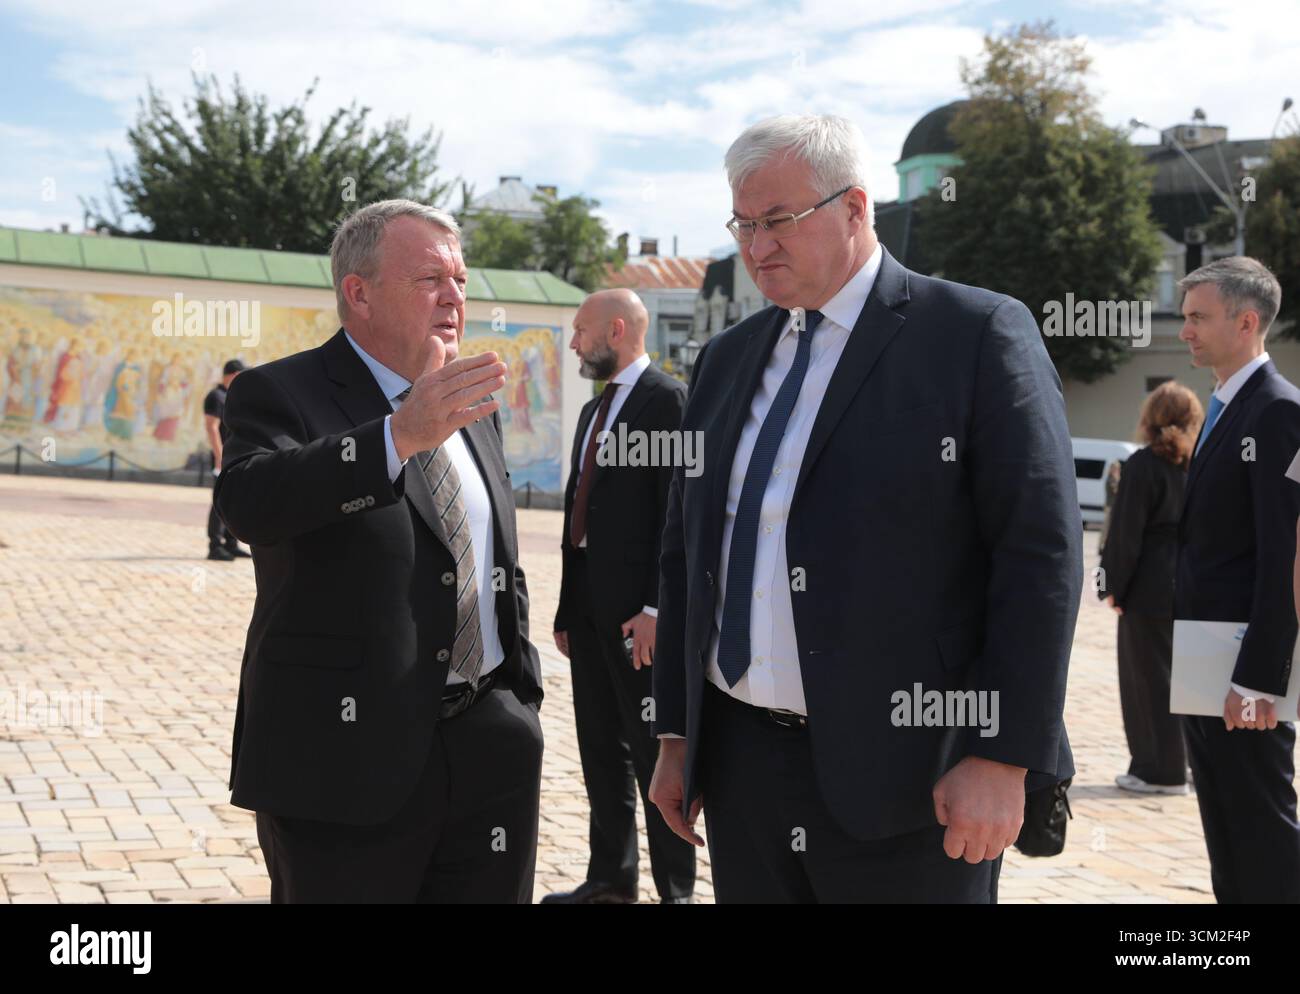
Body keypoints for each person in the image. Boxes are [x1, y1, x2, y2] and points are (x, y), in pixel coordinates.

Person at [649, 114, 1082, 903]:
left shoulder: (975, 334)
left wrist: (1004, 754)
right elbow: (687, 552)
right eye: (743, 224)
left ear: (855, 208)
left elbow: (1040, 555)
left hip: (914, 781)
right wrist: (678, 733)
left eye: (778, 221)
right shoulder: (724, 360)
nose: (756, 247)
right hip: (743, 773)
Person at [215, 199, 545, 903]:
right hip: (345, 764)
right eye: (431, 278)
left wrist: (521, 698)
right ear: (357, 293)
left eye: (460, 278)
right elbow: (249, 504)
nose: (455, 295)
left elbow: (494, 561)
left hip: (489, 753)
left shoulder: (465, 398)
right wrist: (396, 436)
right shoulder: (279, 392)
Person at [544, 289, 694, 904]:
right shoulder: (593, 410)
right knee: (598, 751)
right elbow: (579, 515)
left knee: (650, 757)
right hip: (589, 615)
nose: (574, 344)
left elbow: (678, 511)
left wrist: (659, 608)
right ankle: (611, 880)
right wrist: (565, 610)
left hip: (641, 621)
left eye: (581, 332)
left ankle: (675, 891)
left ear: (616, 329)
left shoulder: (669, 401)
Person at [1174, 256, 1300, 903]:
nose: (1184, 331)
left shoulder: (1277, 413)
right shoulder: (1226, 405)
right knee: (1225, 826)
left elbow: (1285, 560)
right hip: (1204, 658)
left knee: (1263, 830)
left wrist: (1259, 679)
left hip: (1241, 671)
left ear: (1246, 321)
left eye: (1198, 317)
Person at [1098, 381, 1203, 794]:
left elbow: (1126, 534)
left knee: (1149, 683)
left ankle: (1159, 771)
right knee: (1189, 684)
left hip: (1150, 588)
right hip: (1194, 584)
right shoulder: (1198, 463)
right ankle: (1187, 765)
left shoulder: (1142, 465)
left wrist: (1113, 587)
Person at [203, 359, 249, 561]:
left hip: (235, 457)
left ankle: (231, 543)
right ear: (230, 374)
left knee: (234, 501)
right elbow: (212, 427)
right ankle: (215, 545)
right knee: (219, 503)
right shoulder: (215, 396)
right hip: (222, 458)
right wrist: (219, 456)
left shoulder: (233, 396)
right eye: (239, 375)